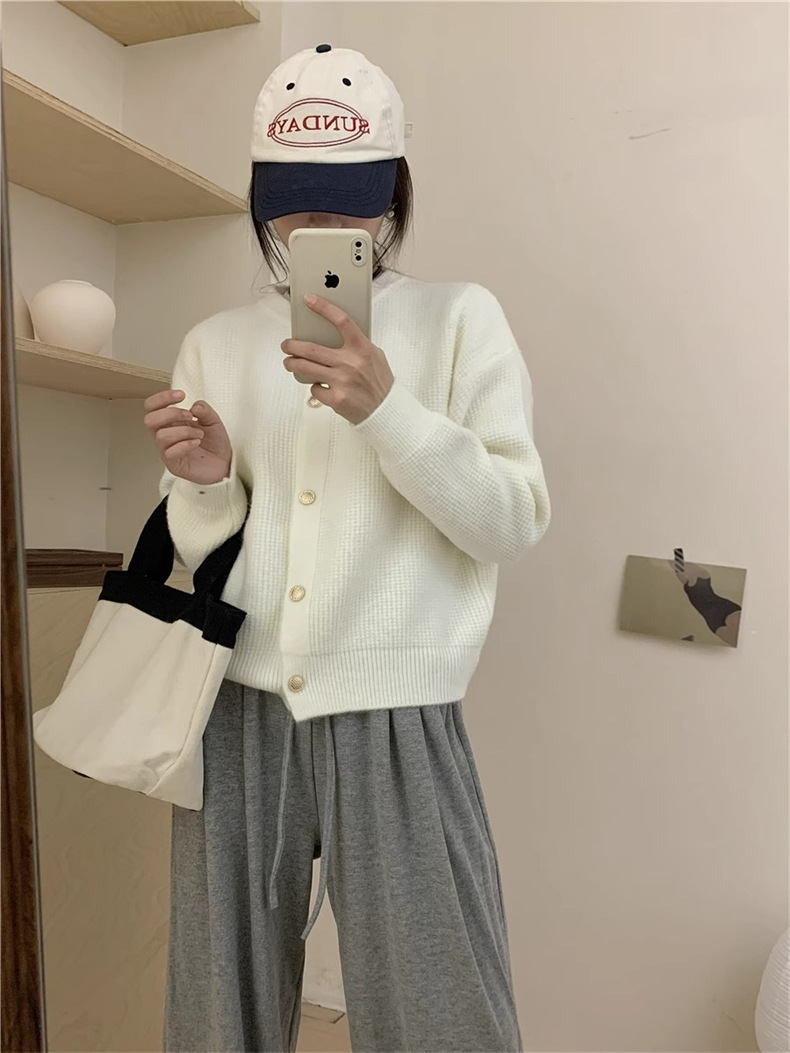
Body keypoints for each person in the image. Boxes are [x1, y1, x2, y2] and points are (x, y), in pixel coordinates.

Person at [143, 44, 550, 1053]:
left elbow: (510, 519)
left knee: (441, 1011)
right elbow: (202, 549)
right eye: (295, 202)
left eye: (349, 199)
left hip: (398, 713)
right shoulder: (214, 341)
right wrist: (206, 483)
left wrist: (387, 410)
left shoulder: (460, 319)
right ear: (261, 198)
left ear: (393, 189)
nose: (321, 225)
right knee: (217, 1008)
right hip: (238, 709)